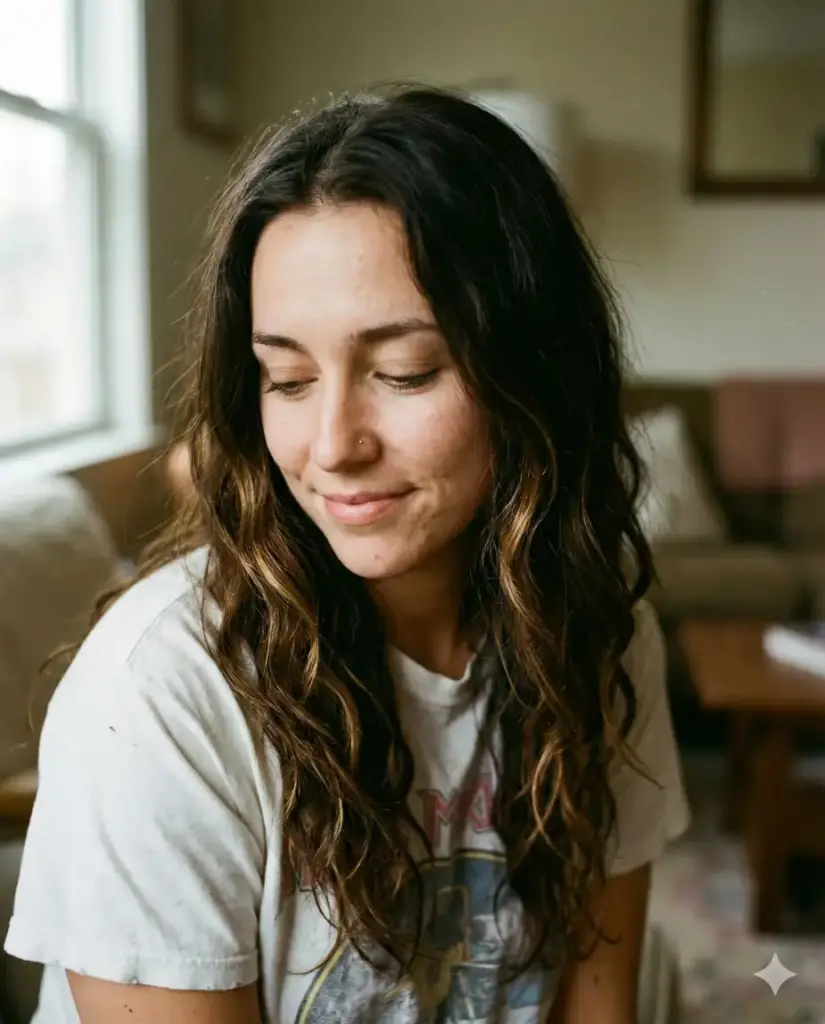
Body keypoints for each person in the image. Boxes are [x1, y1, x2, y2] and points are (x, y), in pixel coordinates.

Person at [4, 85, 689, 1024]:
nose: (331, 446)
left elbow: (597, 997)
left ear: (533, 369)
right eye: (286, 378)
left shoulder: (602, 630)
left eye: (402, 372)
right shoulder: (162, 692)